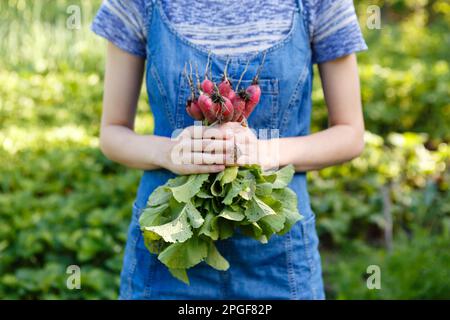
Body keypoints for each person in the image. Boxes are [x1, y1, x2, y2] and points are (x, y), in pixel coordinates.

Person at [92, 0, 367, 299]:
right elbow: (112, 133)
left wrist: (264, 153)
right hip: (168, 245)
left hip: (277, 254)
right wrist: (170, 152)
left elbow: (350, 134)